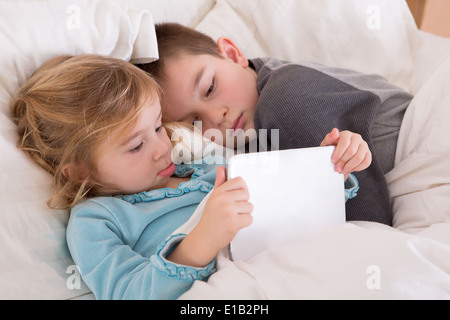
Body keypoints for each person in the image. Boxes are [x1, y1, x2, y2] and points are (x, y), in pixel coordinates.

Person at [10, 54, 366, 300]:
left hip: (295, 266)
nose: (161, 149)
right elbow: (130, 293)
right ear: (82, 171)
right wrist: (201, 241)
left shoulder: (207, 165)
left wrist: (331, 165)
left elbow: (284, 201)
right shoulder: (97, 220)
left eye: (158, 128)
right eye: (136, 146)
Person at [137, 22, 414, 226]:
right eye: (195, 122)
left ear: (232, 54)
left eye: (210, 88)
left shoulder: (285, 99)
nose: (216, 117)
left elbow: (368, 226)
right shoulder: (253, 128)